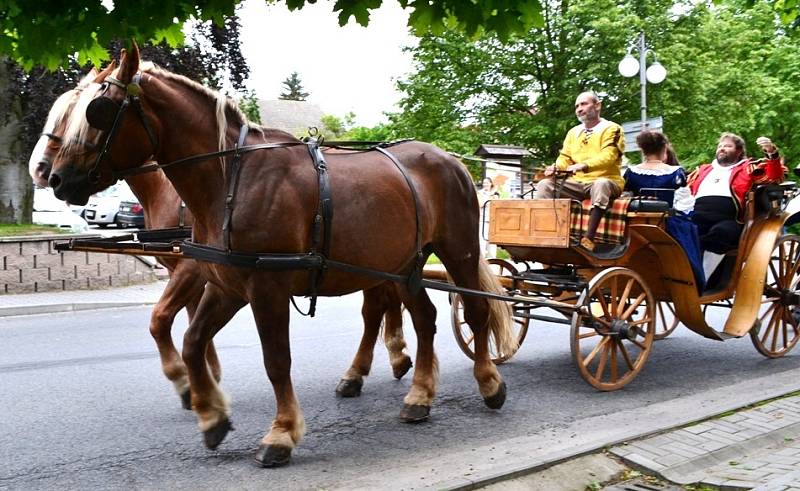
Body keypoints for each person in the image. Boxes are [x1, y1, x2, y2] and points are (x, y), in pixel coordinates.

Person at [534, 91, 625, 251]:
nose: (579, 109)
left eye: (583, 104)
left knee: (601, 184)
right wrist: (556, 167)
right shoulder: (573, 132)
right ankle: (549, 233)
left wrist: (582, 165)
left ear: (597, 105)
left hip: (607, 180)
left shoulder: (612, 128)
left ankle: (588, 239)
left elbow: (609, 156)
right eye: (577, 106)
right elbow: (565, 158)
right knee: (544, 185)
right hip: (577, 183)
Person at [687, 132, 786, 280]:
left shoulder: (748, 168)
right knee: (679, 231)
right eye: (720, 146)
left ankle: (700, 280)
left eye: (727, 146)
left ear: (739, 151)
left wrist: (771, 153)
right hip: (697, 215)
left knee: (722, 233)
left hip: (730, 219)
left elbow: (775, 176)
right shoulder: (702, 170)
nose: (722, 148)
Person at [624, 130, 704, 289]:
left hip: (635, 221)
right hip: (665, 222)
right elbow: (685, 204)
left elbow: (626, 196)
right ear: (664, 149)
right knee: (690, 227)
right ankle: (692, 276)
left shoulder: (631, 172)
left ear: (643, 150)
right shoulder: (675, 172)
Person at [477, 177, 500, 257]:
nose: (485, 184)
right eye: (484, 183)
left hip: (493, 220)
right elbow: (481, 204)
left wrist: (494, 196)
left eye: (487, 182)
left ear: (491, 184)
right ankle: (482, 259)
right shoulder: (480, 193)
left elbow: (497, 206)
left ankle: (493, 259)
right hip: (483, 220)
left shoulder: (495, 194)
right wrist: (489, 195)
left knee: (492, 242)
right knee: (482, 241)